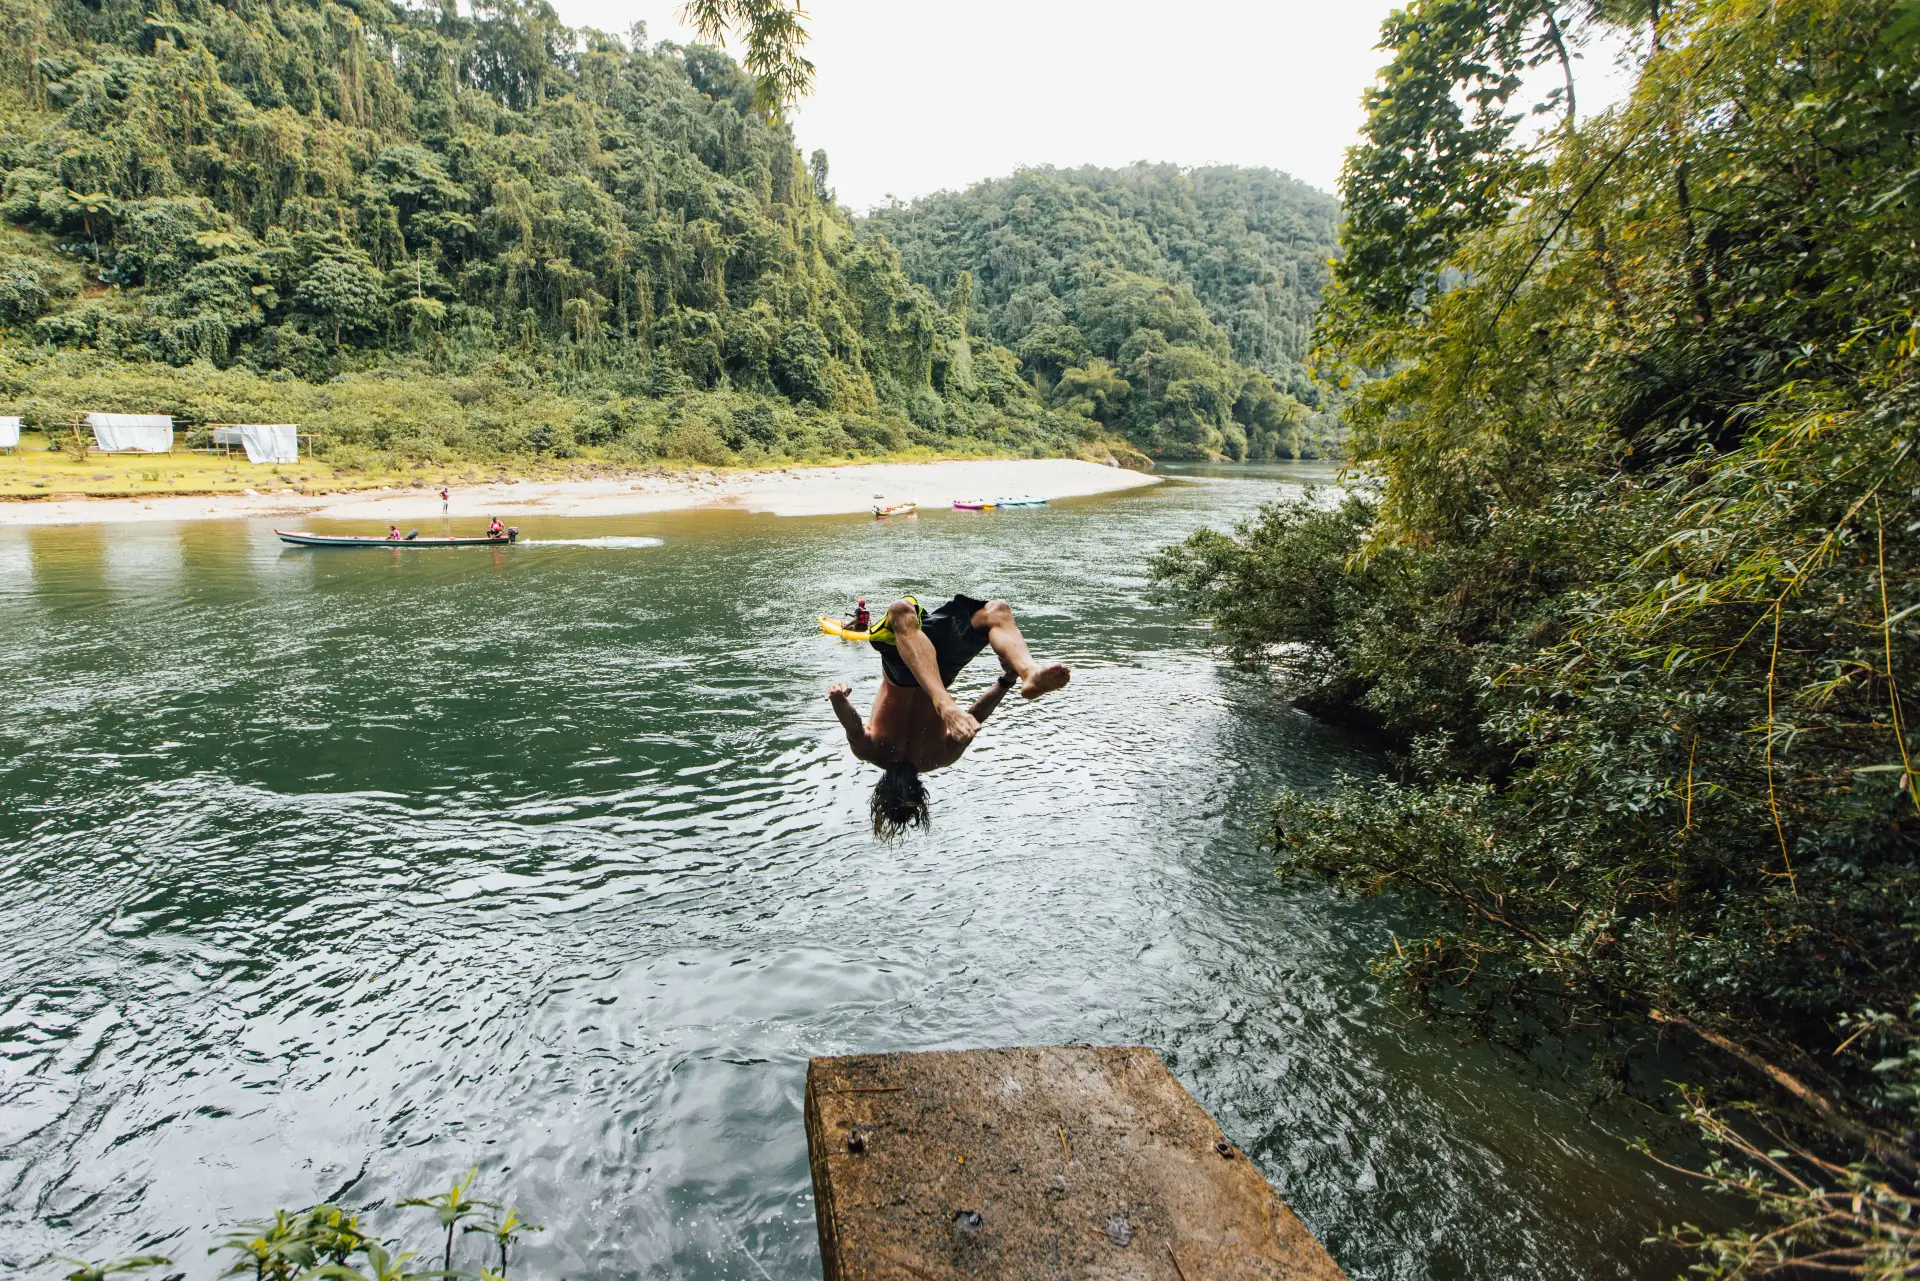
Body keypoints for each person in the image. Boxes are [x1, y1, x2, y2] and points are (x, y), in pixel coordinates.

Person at [826, 595, 1070, 838]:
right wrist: (838, 699)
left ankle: (1027, 672)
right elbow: (974, 718)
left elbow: (854, 725)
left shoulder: (929, 756)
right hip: (915, 669)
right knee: (994, 612)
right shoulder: (919, 755)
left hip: (916, 668)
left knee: (993, 611)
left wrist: (1006, 681)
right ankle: (1023, 672)